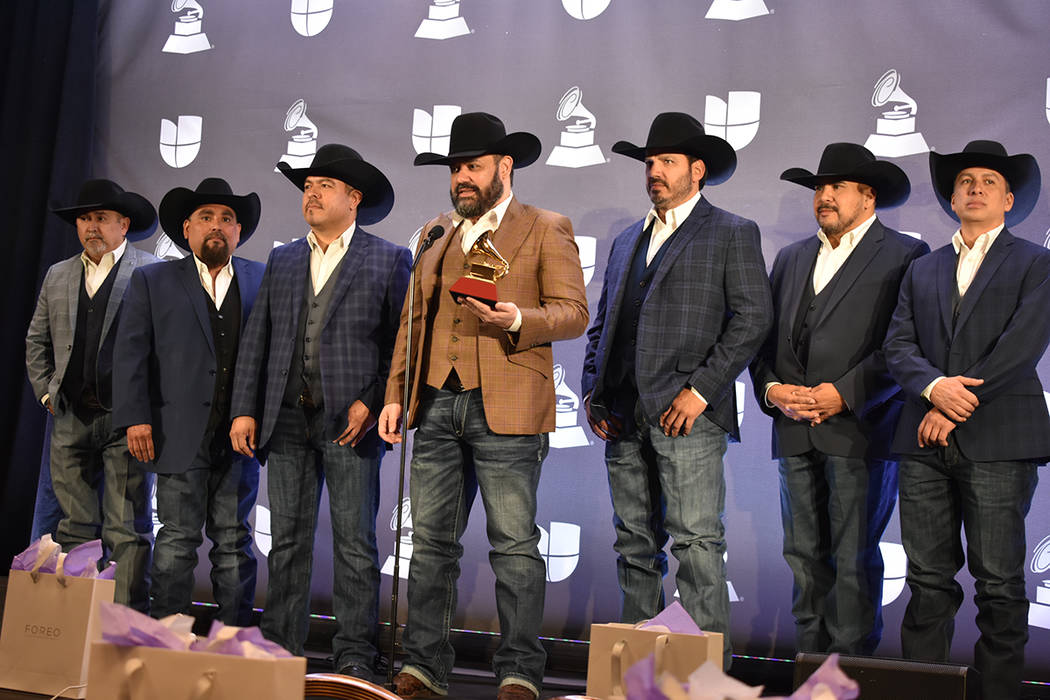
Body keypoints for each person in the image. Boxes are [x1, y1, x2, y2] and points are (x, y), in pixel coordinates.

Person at [378, 111, 588, 700]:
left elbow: (574, 313)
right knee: (431, 545)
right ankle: (424, 665)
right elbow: (412, 322)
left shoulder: (547, 227)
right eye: (454, 168)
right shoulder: (436, 234)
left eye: (472, 166)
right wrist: (397, 394)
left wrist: (518, 318)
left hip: (508, 407)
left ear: (505, 166)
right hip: (438, 407)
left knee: (515, 546)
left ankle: (519, 671)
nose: (461, 178)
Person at [580, 112, 772, 666]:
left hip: (688, 415)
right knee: (634, 548)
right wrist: (593, 389)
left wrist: (702, 391)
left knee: (696, 546)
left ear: (697, 170)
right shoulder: (624, 240)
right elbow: (604, 323)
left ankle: (705, 675)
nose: (654, 172)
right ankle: (637, 672)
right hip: (622, 414)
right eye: (649, 162)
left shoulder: (732, 231)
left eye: (666, 162)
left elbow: (753, 318)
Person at [230, 145, 410, 676]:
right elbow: (256, 338)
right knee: (286, 541)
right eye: (308, 185)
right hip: (285, 421)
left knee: (355, 543)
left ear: (353, 199)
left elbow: (400, 344)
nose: (311, 192)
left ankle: (355, 655)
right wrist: (244, 408)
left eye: (324, 185)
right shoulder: (284, 258)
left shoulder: (388, 257)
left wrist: (371, 400)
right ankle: (280, 651)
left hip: (350, 425)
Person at [884, 140, 1049, 700]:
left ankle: (998, 694)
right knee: (927, 581)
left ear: (1008, 199)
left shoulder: (1035, 262)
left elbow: (1021, 347)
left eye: (988, 181)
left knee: (999, 585)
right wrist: (934, 389)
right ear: (952, 197)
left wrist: (953, 406)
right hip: (922, 443)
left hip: (998, 441)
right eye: (966, 181)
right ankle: (923, 693)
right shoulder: (922, 266)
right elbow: (898, 344)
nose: (975, 188)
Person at [749, 143, 928, 654]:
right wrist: (772, 389)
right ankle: (810, 673)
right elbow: (761, 341)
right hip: (793, 430)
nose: (823, 196)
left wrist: (844, 394)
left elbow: (904, 345)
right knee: (803, 556)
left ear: (867, 198)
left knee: (853, 558)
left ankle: (849, 677)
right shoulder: (790, 257)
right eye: (819, 188)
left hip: (861, 431)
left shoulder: (904, 255)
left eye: (836, 187)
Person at [113, 178, 265, 624]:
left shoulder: (262, 277)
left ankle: (233, 637)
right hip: (176, 432)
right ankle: (165, 635)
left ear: (238, 231)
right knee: (177, 539)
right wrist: (136, 417)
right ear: (187, 228)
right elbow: (131, 352)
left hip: (241, 438)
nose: (216, 226)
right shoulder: (153, 279)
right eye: (205, 217)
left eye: (226, 218)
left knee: (234, 539)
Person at [25, 178, 159, 610]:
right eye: (85, 218)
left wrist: (145, 409)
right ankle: (74, 627)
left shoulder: (149, 272)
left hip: (127, 422)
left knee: (126, 528)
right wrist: (48, 396)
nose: (92, 227)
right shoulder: (58, 274)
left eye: (102, 217)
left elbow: (163, 350)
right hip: (69, 418)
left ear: (124, 224)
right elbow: (36, 341)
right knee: (74, 526)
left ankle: (122, 627)